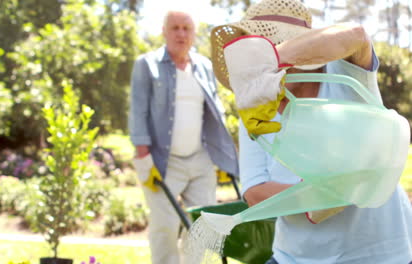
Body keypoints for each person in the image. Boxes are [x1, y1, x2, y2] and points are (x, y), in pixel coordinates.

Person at [210, 0, 412, 263]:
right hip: (295, 255)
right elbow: (254, 191)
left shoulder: (346, 74)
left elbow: (357, 36)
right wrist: (313, 196)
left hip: (377, 251)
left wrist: (270, 61)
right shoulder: (257, 105)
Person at [128, 9, 239, 264]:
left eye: (186, 28)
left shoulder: (204, 67)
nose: (181, 33)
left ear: (194, 34)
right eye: (175, 28)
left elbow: (216, 112)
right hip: (162, 161)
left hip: (200, 158)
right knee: (164, 226)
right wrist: (143, 158)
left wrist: (222, 155)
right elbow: (138, 110)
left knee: (203, 226)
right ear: (164, 32)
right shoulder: (147, 65)